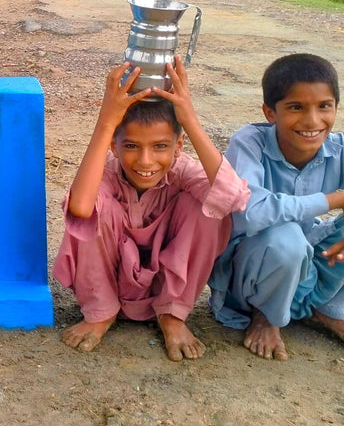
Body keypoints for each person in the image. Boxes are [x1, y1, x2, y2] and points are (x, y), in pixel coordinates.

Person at [53, 57, 249, 360]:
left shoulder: (183, 171)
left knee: (208, 206)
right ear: (114, 146)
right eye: (131, 146)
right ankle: (101, 311)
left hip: (163, 284)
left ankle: (172, 313)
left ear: (178, 146)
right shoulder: (106, 171)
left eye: (160, 146)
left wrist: (189, 118)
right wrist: (106, 121)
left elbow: (234, 198)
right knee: (91, 208)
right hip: (112, 280)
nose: (146, 161)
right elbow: (80, 208)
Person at [210, 53, 344, 361]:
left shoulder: (338, 149)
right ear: (270, 112)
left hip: (308, 264)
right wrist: (335, 199)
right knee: (285, 237)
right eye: (296, 107)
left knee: (300, 240)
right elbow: (253, 211)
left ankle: (325, 310)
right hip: (250, 274)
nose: (312, 121)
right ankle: (266, 316)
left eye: (324, 106)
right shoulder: (250, 142)